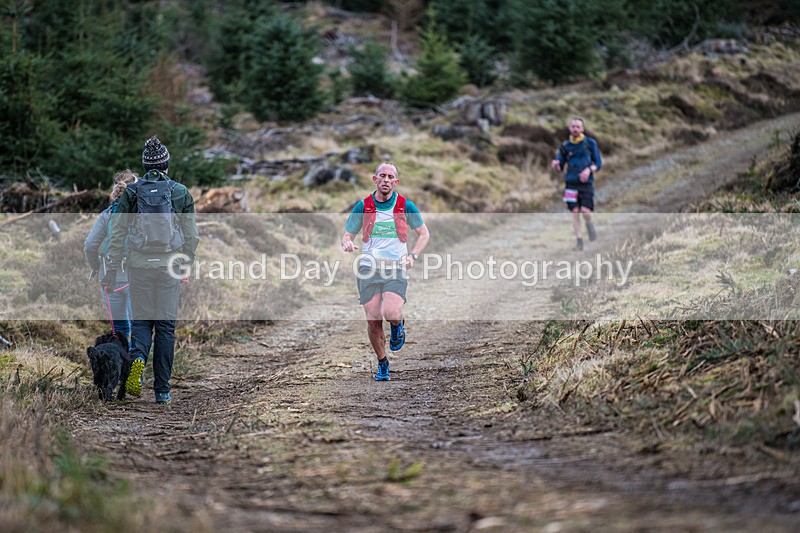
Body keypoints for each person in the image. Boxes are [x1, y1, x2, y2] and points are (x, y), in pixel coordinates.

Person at [102, 135, 200, 405]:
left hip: (138, 267)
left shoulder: (132, 192)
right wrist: (185, 262)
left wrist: (111, 270)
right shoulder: (179, 191)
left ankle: (137, 362)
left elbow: (118, 234)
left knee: (143, 323)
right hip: (169, 267)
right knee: (166, 328)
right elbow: (192, 236)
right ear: (166, 163)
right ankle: (162, 391)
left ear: (145, 166)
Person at [341, 162, 430, 381]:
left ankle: (398, 325)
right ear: (375, 179)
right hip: (368, 268)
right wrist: (347, 244)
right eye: (382, 176)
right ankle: (382, 363)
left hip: (395, 268)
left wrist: (413, 256)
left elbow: (424, 234)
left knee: (391, 313)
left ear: (396, 182)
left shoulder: (405, 205)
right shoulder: (363, 206)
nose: (386, 180)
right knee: (373, 319)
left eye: (391, 177)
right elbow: (347, 236)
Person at [84, 170, 137, 344]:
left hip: (110, 278)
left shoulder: (107, 214)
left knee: (119, 331)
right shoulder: (142, 215)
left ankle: (121, 368)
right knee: (139, 329)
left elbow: (90, 245)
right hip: (137, 278)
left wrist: (97, 267)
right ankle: (137, 371)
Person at [551, 117, 603, 251]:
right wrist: (556, 165)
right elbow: (560, 167)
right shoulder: (565, 146)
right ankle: (579, 240)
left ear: (582, 129)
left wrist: (588, 170)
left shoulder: (590, 143)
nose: (575, 129)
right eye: (573, 126)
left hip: (586, 183)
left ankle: (589, 223)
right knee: (575, 212)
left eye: (578, 127)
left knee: (585, 211)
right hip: (570, 184)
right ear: (570, 129)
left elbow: (598, 163)